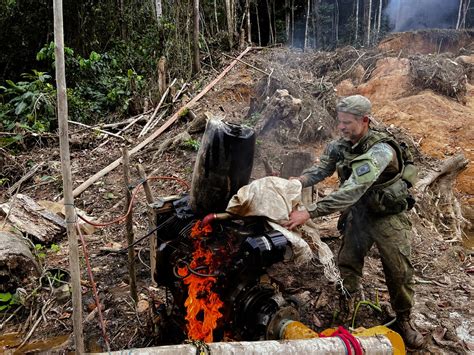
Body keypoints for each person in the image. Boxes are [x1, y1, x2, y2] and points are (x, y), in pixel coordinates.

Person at [284, 95, 424, 349]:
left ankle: (404, 320)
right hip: (358, 214)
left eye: (347, 122)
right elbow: (323, 169)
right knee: (347, 264)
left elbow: (352, 189)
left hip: (387, 218)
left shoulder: (381, 151)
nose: (341, 127)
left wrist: (309, 212)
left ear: (365, 121)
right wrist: (298, 182)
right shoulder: (341, 145)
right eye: (340, 122)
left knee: (399, 271)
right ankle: (347, 309)